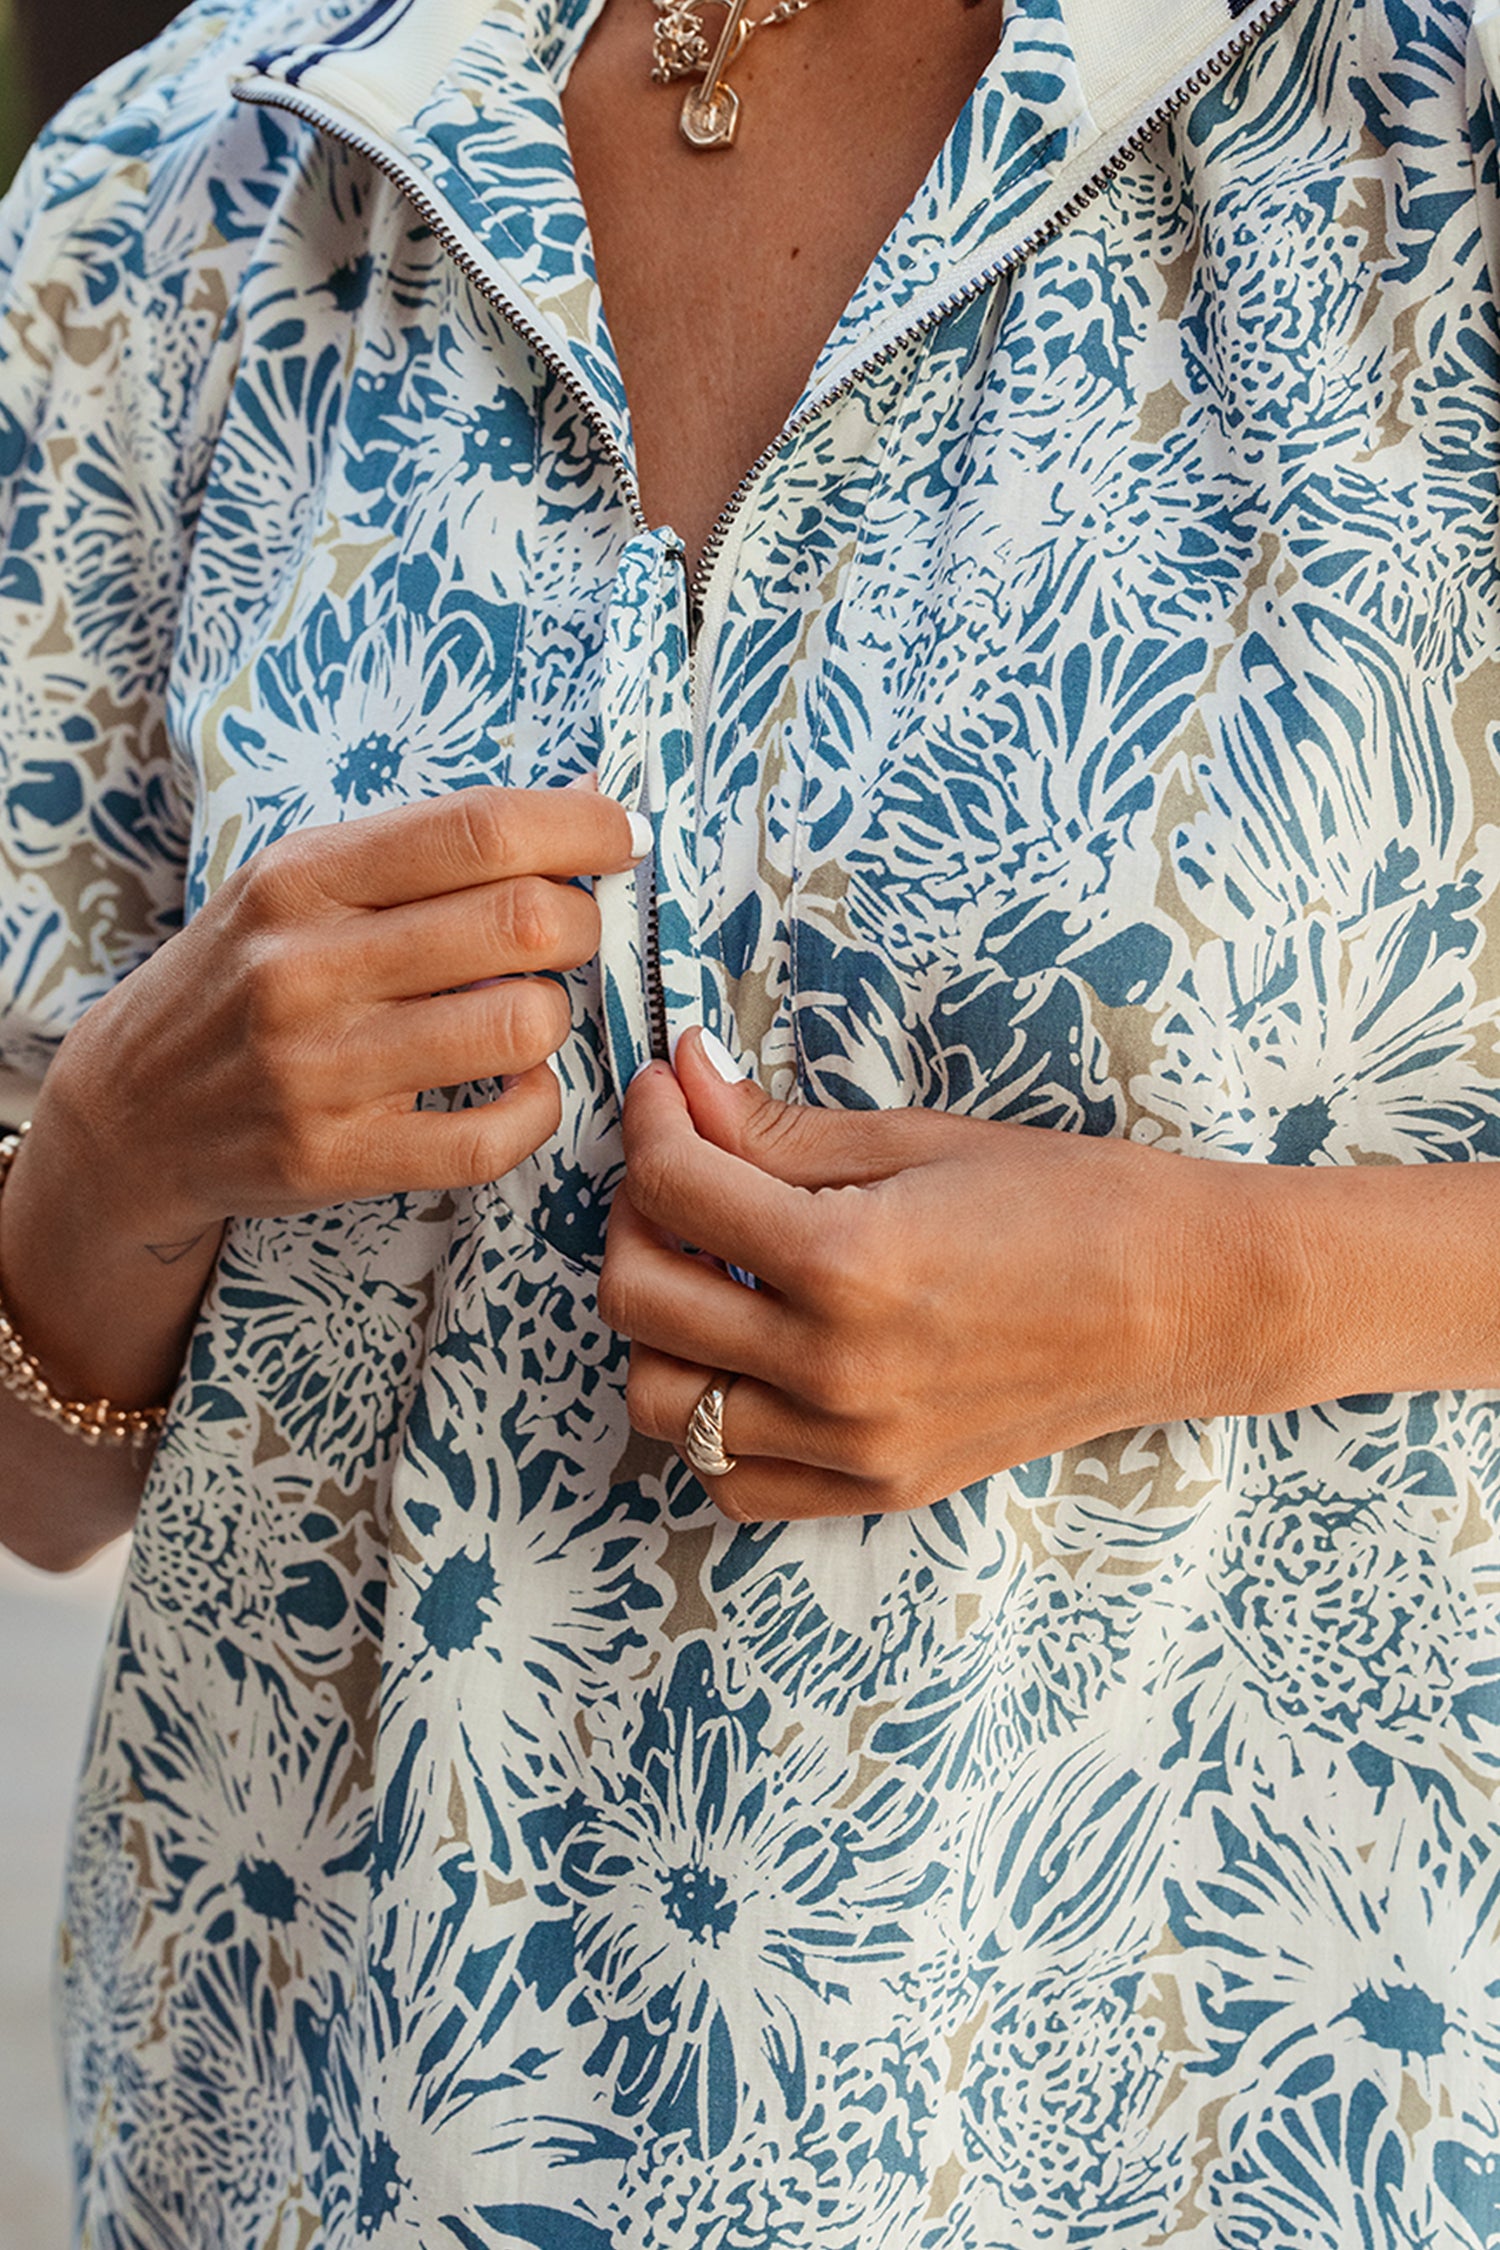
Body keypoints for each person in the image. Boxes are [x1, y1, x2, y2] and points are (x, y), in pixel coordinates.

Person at [4, 0, 1500, 2238]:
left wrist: (1222, 1286)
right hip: (301, 2150)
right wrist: (118, 1149)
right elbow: (35, 1491)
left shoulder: (1425, 126)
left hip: (1205, 2140)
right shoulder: (195, 184)